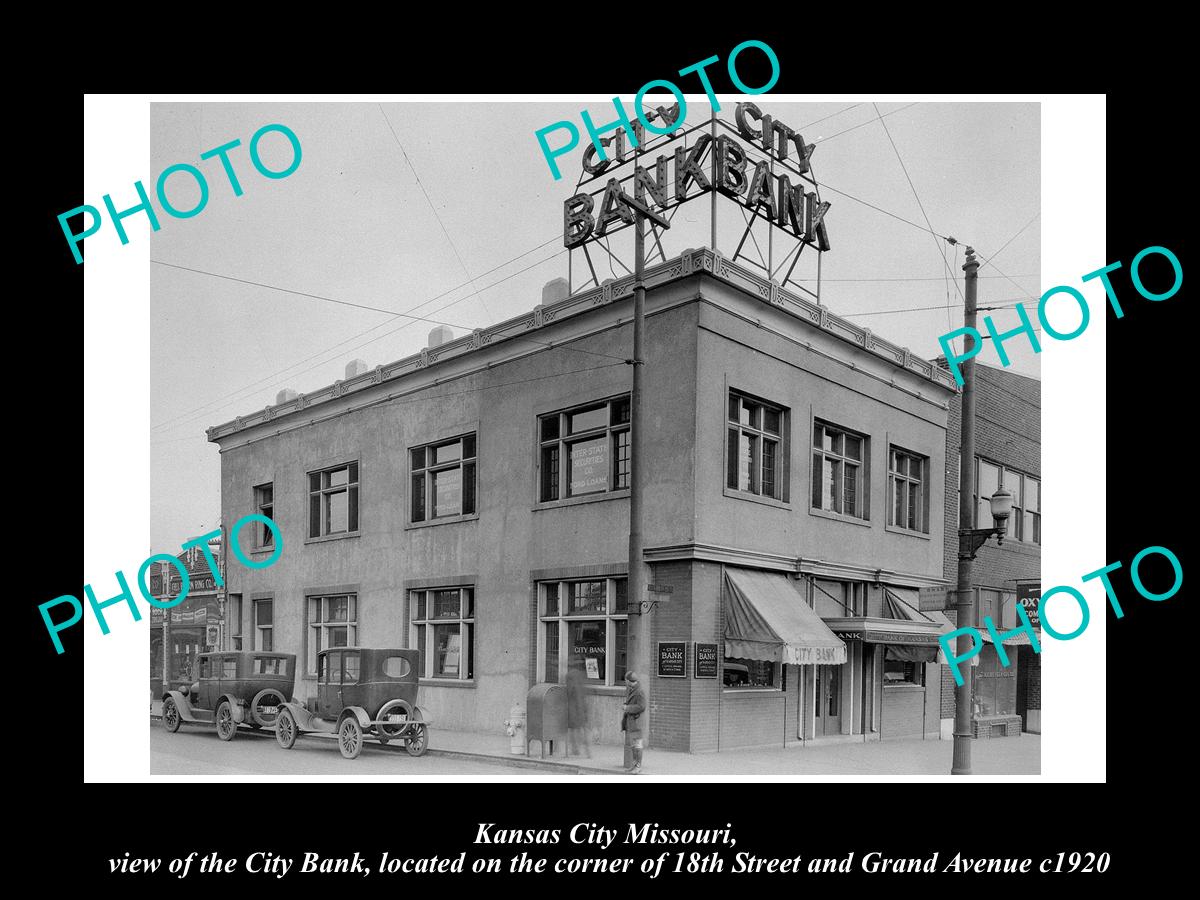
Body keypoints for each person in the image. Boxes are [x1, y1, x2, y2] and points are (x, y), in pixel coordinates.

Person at [564, 659, 592, 758]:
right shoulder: (581, 676)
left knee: (572, 729)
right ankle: (587, 752)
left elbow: (569, 691)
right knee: (583, 728)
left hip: (573, 707)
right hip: (582, 705)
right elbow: (584, 691)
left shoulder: (570, 676)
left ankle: (575, 749)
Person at [620, 670, 646, 775]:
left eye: (626, 680)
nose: (625, 682)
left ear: (630, 681)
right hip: (632, 721)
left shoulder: (639, 692)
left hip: (637, 722)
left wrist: (627, 707)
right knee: (633, 745)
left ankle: (638, 766)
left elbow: (641, 707)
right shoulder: (632, 689)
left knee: (638, 745)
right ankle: (634, 765)